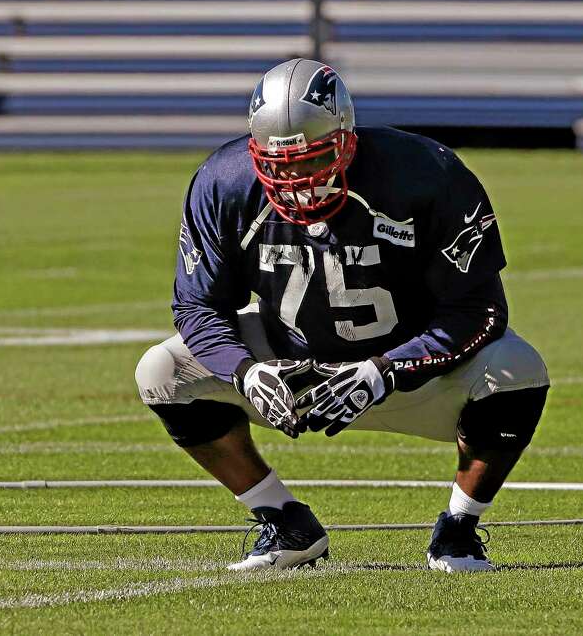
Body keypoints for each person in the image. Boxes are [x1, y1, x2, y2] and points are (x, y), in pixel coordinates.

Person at [134, 58, 550, 573]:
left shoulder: (426, 175)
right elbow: (197, 308)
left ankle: (458, 530)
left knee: (517, 368)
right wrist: (248, 372)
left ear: (347, 140)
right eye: (279, 165)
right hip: (292, 371)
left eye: (312, 160)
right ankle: (284, 522)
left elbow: (480, 309)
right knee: (161, 370)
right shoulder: (223, 184)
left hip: (410, 373)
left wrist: (386, 369)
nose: (298, 181)